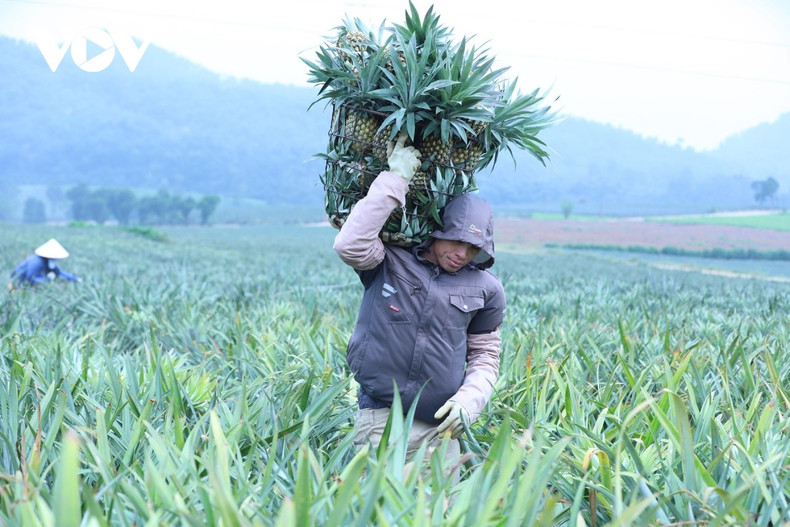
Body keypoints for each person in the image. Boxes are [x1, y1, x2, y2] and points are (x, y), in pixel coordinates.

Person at [334, 134, 506, 476]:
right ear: (437, 231)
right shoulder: (390, 262)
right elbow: (349, 245)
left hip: (441, 429)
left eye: (473, 248)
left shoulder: (486, 289)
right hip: (381, 421)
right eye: (457, 241)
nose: (462, 254)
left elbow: (485, 356)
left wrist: (469, 402)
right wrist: (395, 178)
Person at [9, 238, 81, 288]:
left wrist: (74, 279)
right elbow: (31, 279)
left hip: (27, 285)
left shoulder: (48, 262)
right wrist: (48, 278)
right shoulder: (36, 262)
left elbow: (59, 272)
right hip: (17, 284)